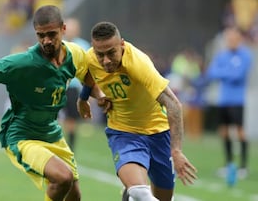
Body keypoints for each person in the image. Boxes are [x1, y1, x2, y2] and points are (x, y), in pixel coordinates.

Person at [0, 5, 106, 201]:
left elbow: (85, 73)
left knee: (74, 194)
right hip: (23, 136)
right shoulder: (23, 63)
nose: (46, 40)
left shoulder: (74, 53)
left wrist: (89, 96)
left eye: (51, 34)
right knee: (62, 178)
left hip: (51, 132)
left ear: (63, 30)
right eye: (41, 35)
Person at [77, 22, 197, 201]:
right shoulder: (89, 58)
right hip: (124, 132)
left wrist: (177, 151)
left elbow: (173, 104)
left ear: (122, 44)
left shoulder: (139, 64)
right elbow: (87, 76)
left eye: (111, 53)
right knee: (140, 193)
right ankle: (132, 193)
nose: (106, 60)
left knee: (163, 197)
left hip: (158, 132)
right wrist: (88, 96)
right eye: (100, 54)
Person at [206, 26, 252, 180]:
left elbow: (238, 75)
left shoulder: (245, 55)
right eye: (228, 38)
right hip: (223, 99)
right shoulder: (222, 55)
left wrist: (224, 72)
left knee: (239, 132)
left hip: (237, 100)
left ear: (239, 38)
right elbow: (212, 72)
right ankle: (229, 164)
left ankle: (243, 167)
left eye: (233, 37)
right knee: (224, 132)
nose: (230, 40)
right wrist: (228, 72)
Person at [59, 17, 90, 151]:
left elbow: (89, 69)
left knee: (71, 119)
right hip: (57, 86)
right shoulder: (57, 44)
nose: (70, 31)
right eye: (68, 27)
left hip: (73, 88)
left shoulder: (83, 46)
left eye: (73, 28)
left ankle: (70, 149)